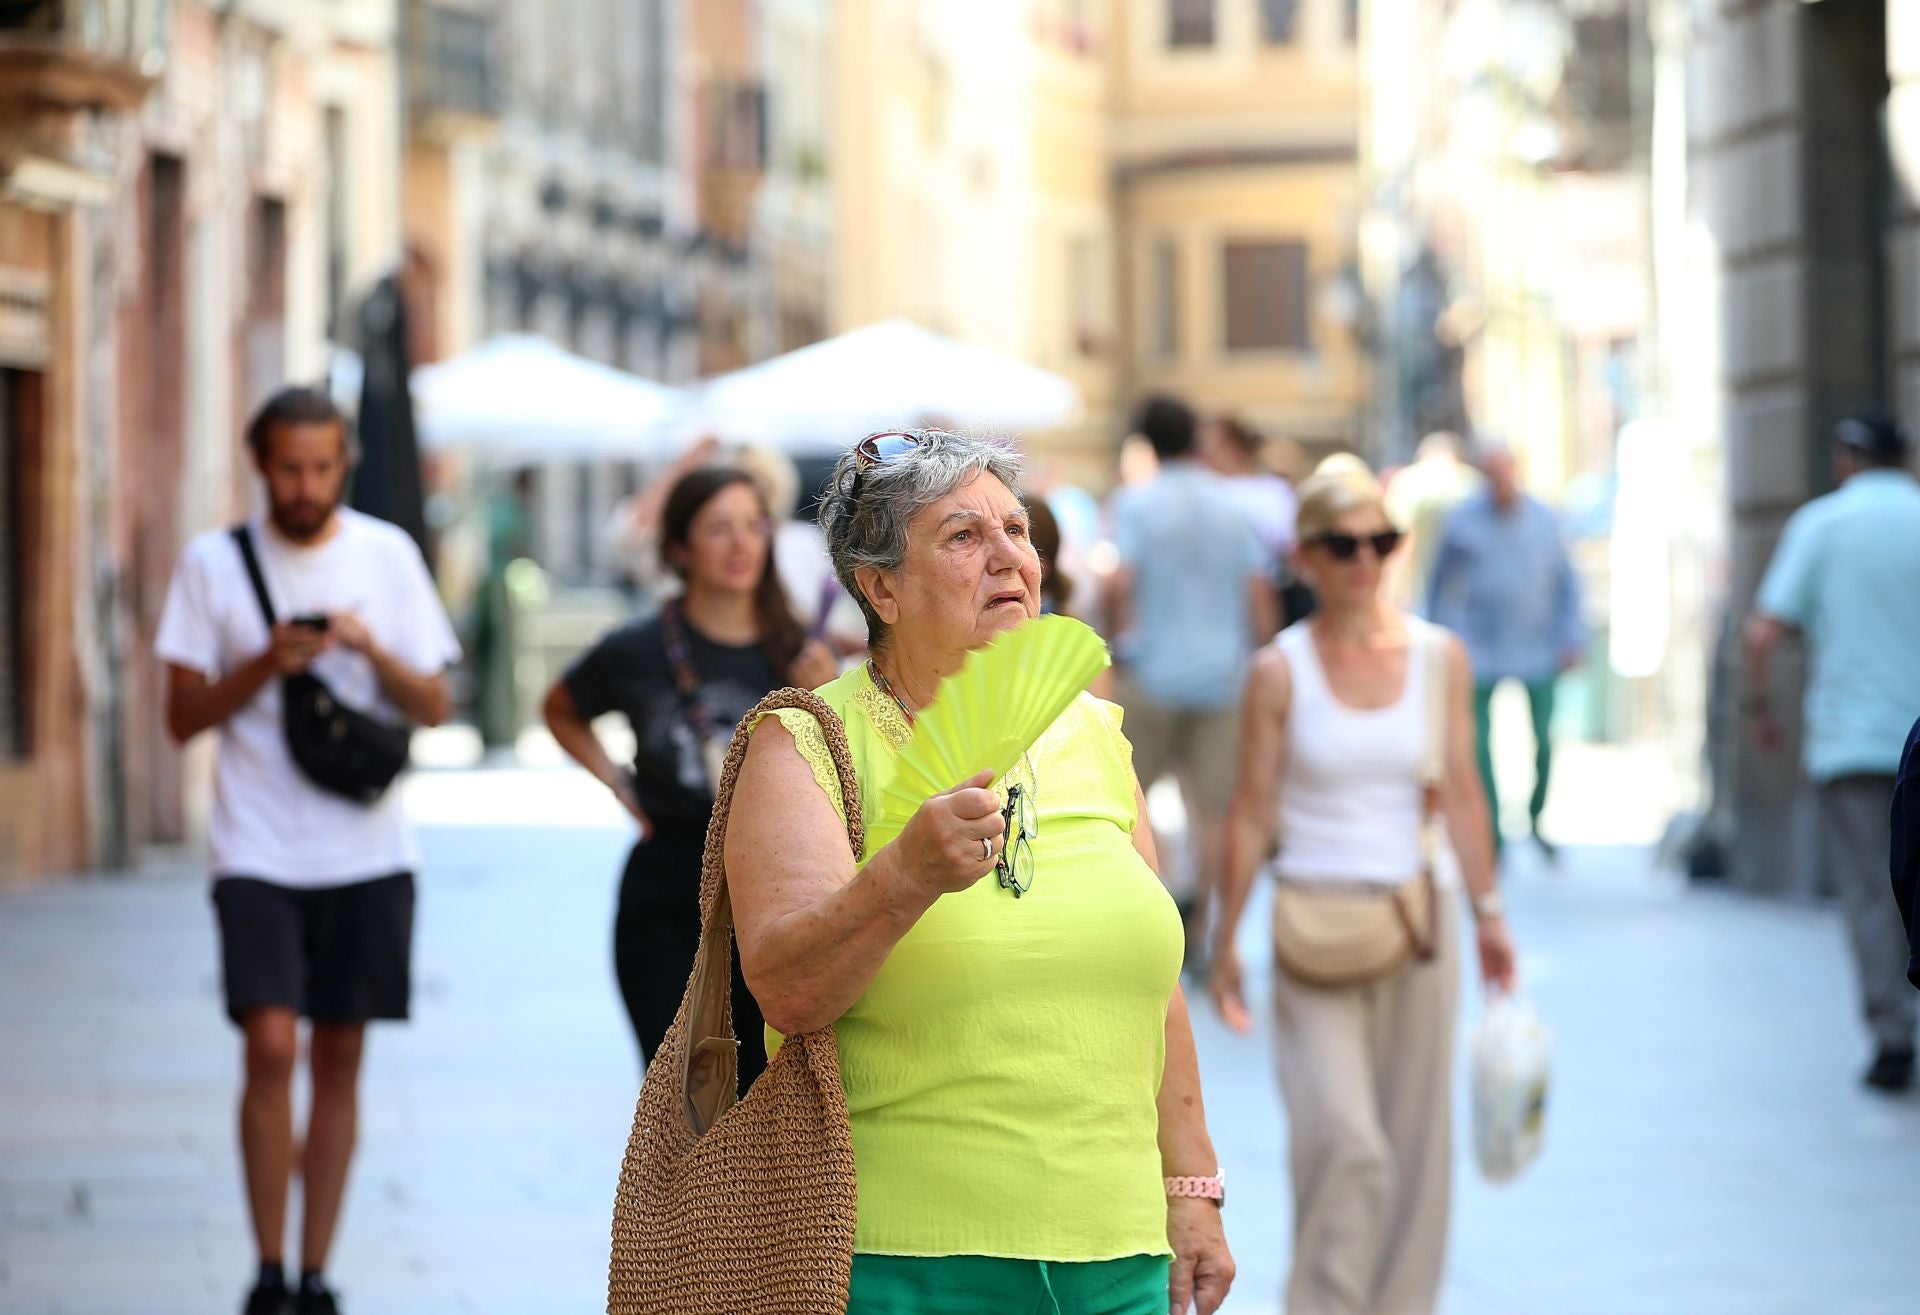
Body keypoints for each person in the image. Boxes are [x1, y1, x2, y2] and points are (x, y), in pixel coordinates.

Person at [723, 429, 1235, 1314]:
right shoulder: (806, 743)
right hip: (900, 1262)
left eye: (1018, 530)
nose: (1008, 557)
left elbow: (1159, 988)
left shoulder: (1094, 735)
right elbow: (786, 991)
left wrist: (1191, 1190)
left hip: (1118, 1260)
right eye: (963, 537)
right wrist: (905, 877)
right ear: (880, 586)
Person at [158, 387, 461, 1315]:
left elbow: (436, 706)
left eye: (322, 466)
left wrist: (368, 652)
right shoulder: (214, 564)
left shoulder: (387, 555)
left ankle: (316, 1271)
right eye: (289, 466)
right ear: (261, 464)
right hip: (255, 848)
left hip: (367, 855)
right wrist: (263, 662)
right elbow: (180, 717)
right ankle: (266, 1268)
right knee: (270, 1045)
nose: (305, 485)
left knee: (339, 1056)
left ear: (344, 465)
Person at [1210, 467, 1517, 1315]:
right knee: (1344, 1143)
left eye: (1380, 541)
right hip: (1313, 919)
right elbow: (1250, 810)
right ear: (1305, 555)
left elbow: (1461, 786)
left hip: (1422, 920)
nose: (1364, 559)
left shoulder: (1436, 656)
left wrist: (1490, 915)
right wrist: (1225, 938)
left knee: (1418, 1151)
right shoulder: (1279, 670)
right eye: (1342, 544)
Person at [543, 467, 835, 1084]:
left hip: (770, 897)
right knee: (678, 1097)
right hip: (666, 895)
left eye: (753, 526)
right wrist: (619, 784)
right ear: (680, 547)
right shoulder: (638, 648)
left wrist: (827, 697)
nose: (740, 545)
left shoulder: (800, 652)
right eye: (717, 528)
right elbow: (561, 707)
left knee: (762, 1100)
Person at [1745, 410, 1920, 1091]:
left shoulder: (1821, 524)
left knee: (1872, 892)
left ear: (1848, 457)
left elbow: (1763, 634)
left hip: (1855, 741)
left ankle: (1892, 1033)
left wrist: (1763, 710)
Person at [1108, 396, 1279, 957]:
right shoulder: (1230, 506)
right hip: (1221, 678)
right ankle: (1205, 928)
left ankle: (1149, 920)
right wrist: (1262, 656)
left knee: (1127, 801)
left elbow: (1119, 582)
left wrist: (1120, 645)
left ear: (1148, 444)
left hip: (1152, 673)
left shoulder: (1138, 503)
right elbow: (1259, 592)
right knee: (1213, 810)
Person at [1425, 442, 1584, 860]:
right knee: (1478, 742)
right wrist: (1443, 637)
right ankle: (1491, 829)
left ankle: (1536, 817)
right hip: (1480, 647)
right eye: (1491, 472)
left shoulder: (1544, 519)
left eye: (1506, 471)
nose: (1500, 481)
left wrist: (1572, 635)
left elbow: (1568, 582)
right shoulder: (1462, 519)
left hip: (1537, 645)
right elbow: (1438, 584)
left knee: (1546, 738)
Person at [1383, 431, 1483, 614]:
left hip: (1421, 591)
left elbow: (1399, 540)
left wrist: (1394, 590)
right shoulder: (1473, 483)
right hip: (1467, 592)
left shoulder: (1409, 482)